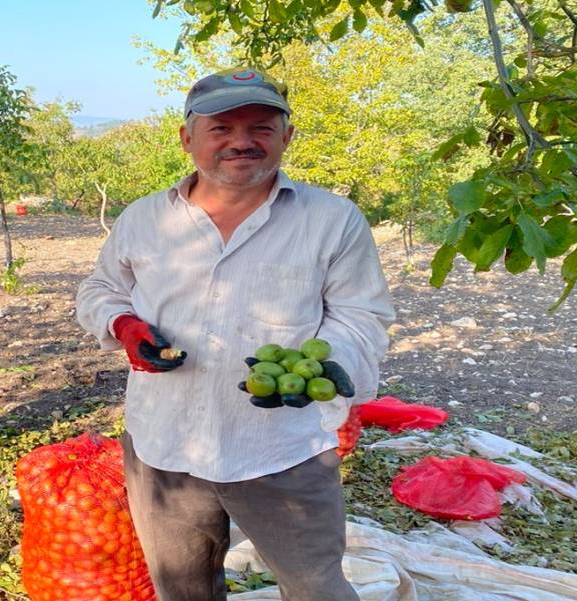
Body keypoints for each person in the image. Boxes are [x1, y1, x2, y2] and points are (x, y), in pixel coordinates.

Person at [75, 68, 394, 601]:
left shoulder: (333, 220)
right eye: (222, 127)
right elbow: (101, 290)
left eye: (261, 128)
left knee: (318, 589)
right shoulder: (144, 219)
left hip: (280, 449)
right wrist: (123, 324)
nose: (242, 141)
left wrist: (323, 365)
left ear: (286, 136)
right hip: (165, 447)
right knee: (183, 590)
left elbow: (360, 314)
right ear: (187, 138)